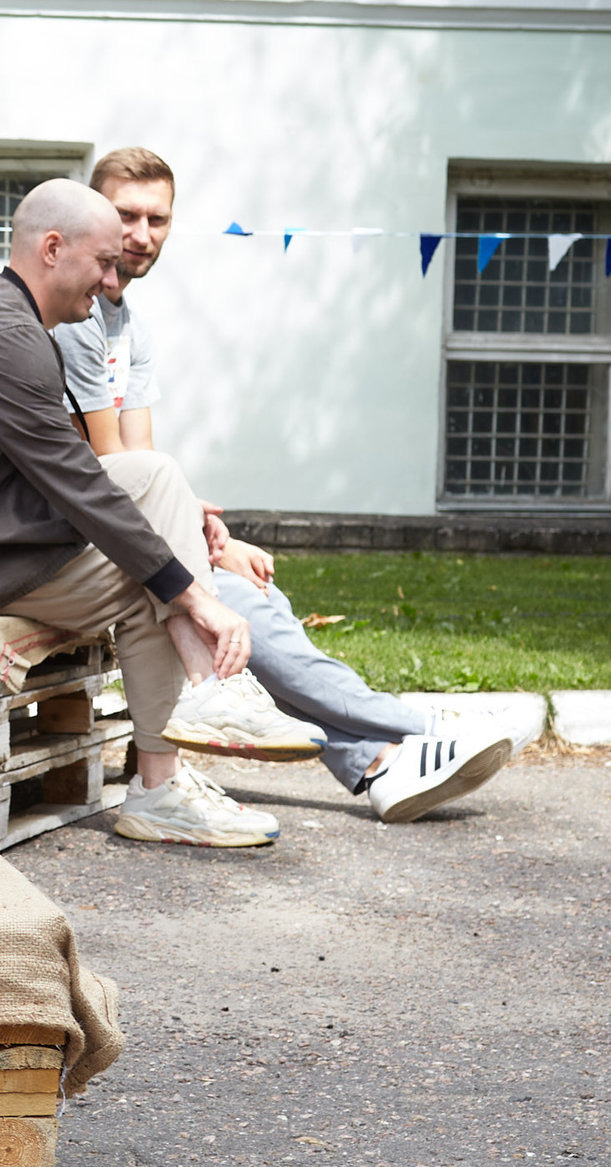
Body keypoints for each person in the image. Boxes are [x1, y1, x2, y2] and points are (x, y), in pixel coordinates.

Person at [55, 147, 521, 822]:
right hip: (77, 538)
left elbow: (140, 458)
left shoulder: (133, 325)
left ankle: (379, 763)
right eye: (127, 215)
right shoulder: (77, 319)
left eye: (158, 218)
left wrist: (213, 535)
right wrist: (208, 548)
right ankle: (412, 726)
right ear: (94, 216)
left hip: (116, 518)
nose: (142, 234)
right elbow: (111, 468)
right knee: (240, 603)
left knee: (251, 593)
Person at [0, 179, 323, 850]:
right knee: (151, 577)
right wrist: (199, 597)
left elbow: (78, 480)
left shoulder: (12, 323)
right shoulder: (2, 336)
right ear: (53, 249)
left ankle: (192, 721)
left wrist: (179, 558)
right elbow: (76, 483)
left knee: (156, 478)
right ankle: (174, 761)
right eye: (104, 262)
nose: (112, 280)